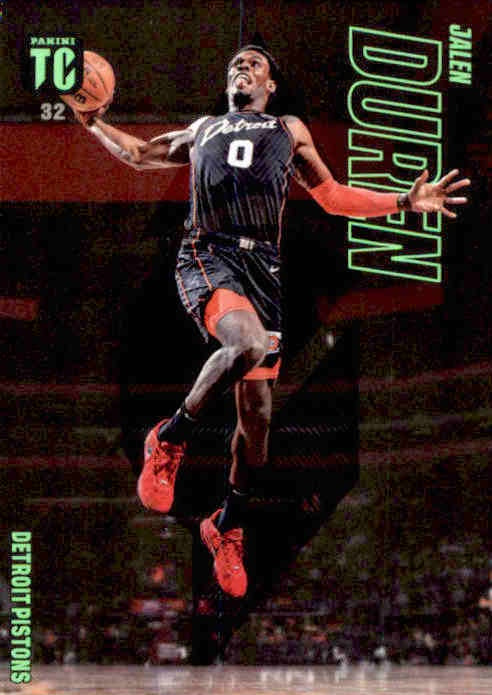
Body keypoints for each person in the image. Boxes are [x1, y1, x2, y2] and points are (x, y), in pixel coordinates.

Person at [70, 45, 470, 599]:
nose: (243, 66)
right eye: (236, 62)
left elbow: (332, 197)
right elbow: (139, 154)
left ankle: (226, 525)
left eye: (255, 62)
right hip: (209, 255)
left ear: (270, 85)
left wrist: (403, 201)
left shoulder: (288, 129)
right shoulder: (204, 128)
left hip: (263, 270)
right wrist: (93, 122)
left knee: (256, 426)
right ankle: (169, 437)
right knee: (246, 345)